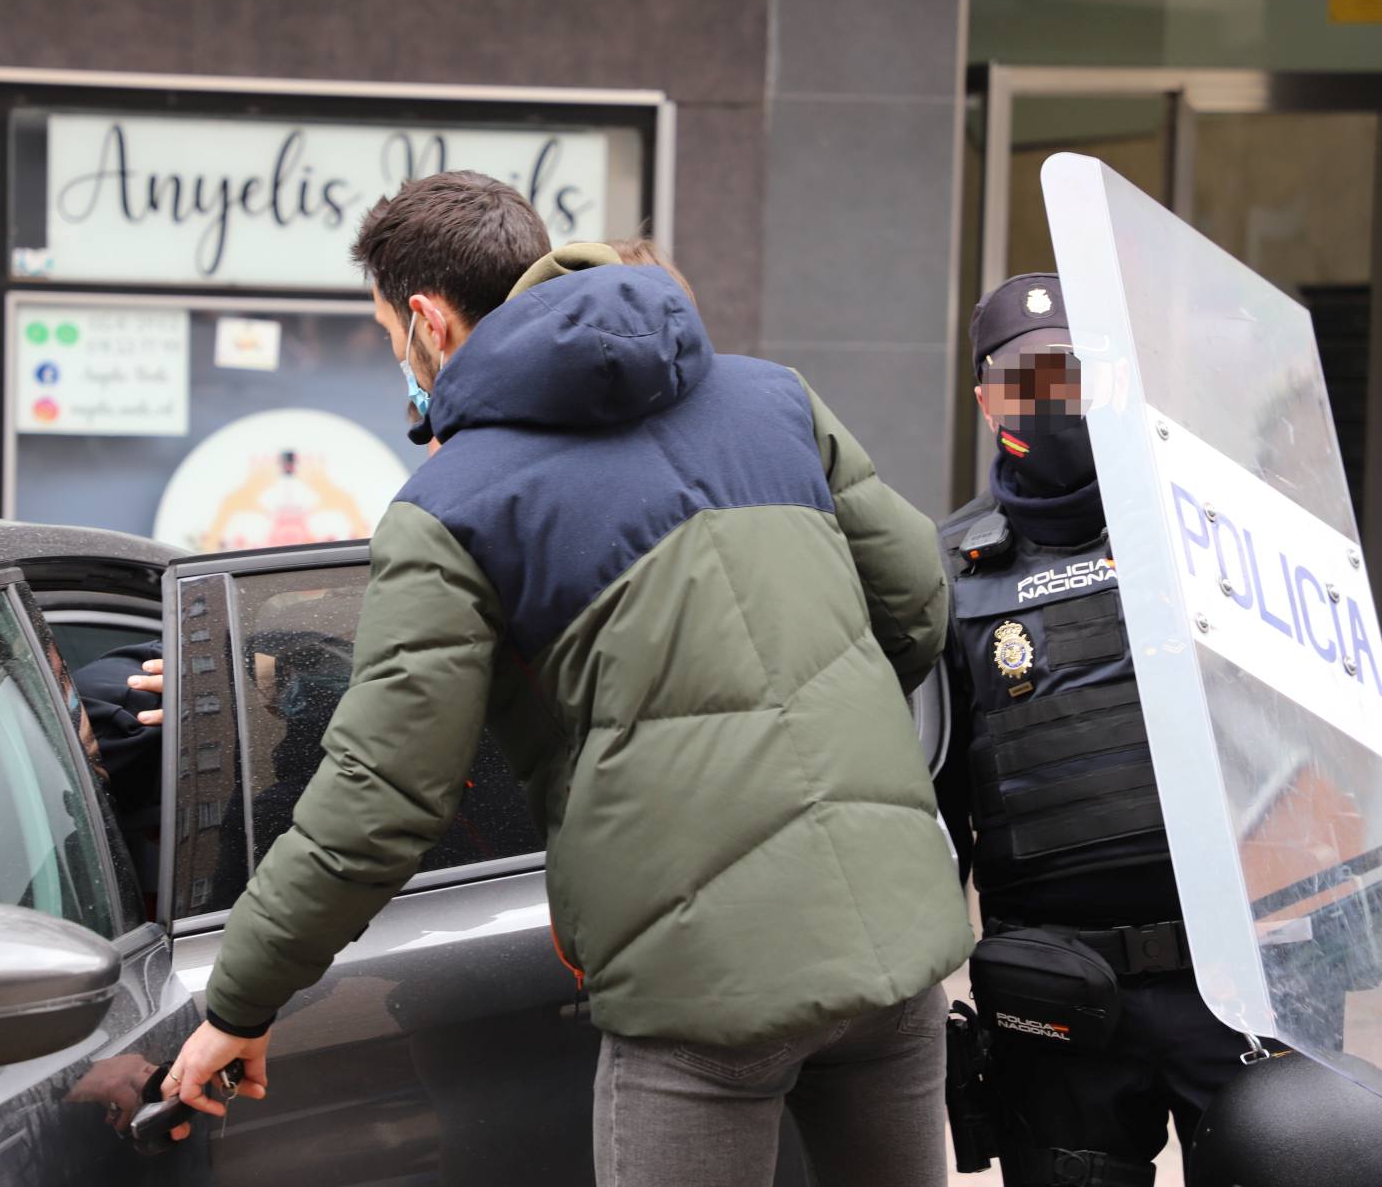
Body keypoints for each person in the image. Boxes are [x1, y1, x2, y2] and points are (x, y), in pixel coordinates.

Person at [156, 170, 972, 1185]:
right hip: (891, 950)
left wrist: (239, 1002)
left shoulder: (456, 505)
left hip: (699, 987)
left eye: (382, 333)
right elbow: (915, 602)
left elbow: (381, 798)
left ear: (425, 322)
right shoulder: (774, 398)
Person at [935, 273, 1255, 1186]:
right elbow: (933, 802)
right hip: (1057, 1000)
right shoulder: (949, 575)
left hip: (1226, 982)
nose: (1052, 396)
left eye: (1072, 372)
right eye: (1026, 376)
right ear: (986, 398)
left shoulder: (1198, 539)